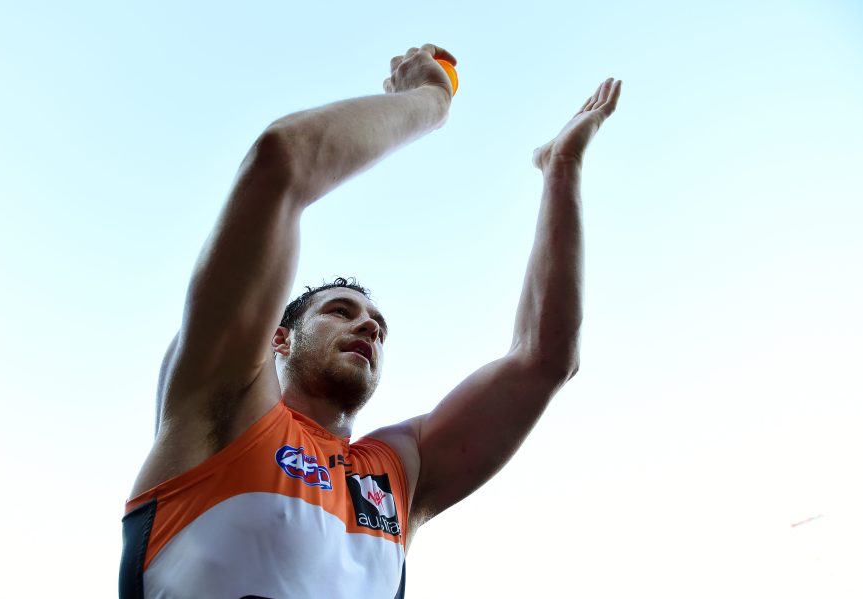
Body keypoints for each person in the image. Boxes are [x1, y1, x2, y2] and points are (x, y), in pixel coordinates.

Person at [119, 43, 621, 599]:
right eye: (341, 311)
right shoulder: (223, 403)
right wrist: (431, 100)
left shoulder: (397, 469)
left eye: (379, 326)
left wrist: (562, 169)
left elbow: (544, 358)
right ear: (279, 338)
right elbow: (282, 160)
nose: (368, 329)